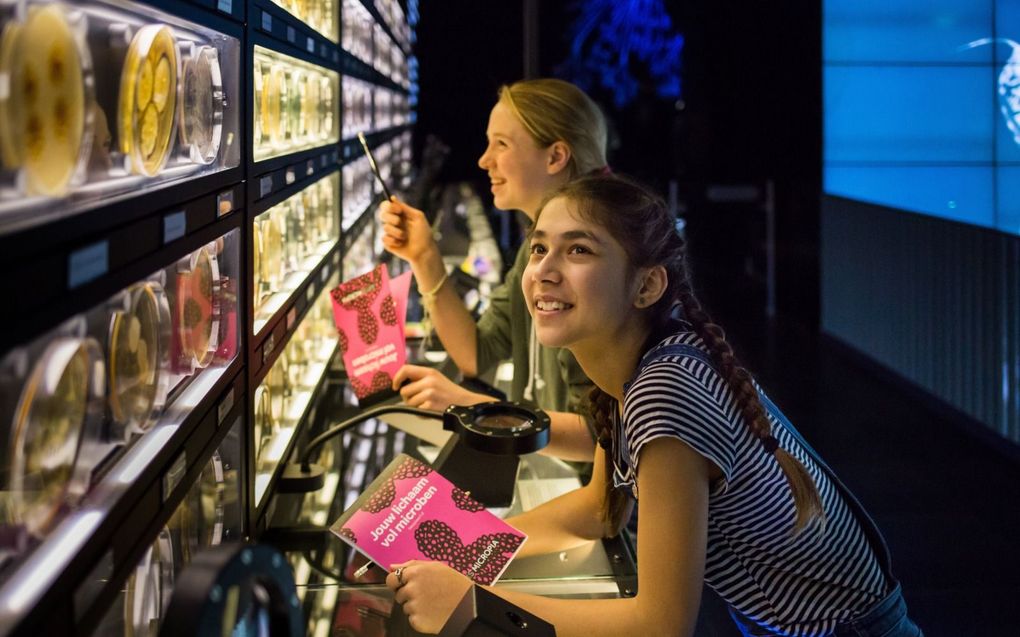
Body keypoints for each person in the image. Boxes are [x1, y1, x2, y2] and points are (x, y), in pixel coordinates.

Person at [384, 175, 924, 637]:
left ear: (646, 286)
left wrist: (473, 598)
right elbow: (598, 511)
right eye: (539, 247)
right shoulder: (641, 367)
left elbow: (660, 625)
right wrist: (466, 545)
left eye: (579, 250)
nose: (544, 270)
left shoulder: (664, 394)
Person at [379, 78, 608, 461]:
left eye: (501, 144)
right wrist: (424, 257)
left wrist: (475, 408)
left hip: (600, 504)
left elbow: (600, 438)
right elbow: (476, 352)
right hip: (557, 476)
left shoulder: (596, 263)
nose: (484, 160)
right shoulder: (535, 253)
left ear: (555, 157)